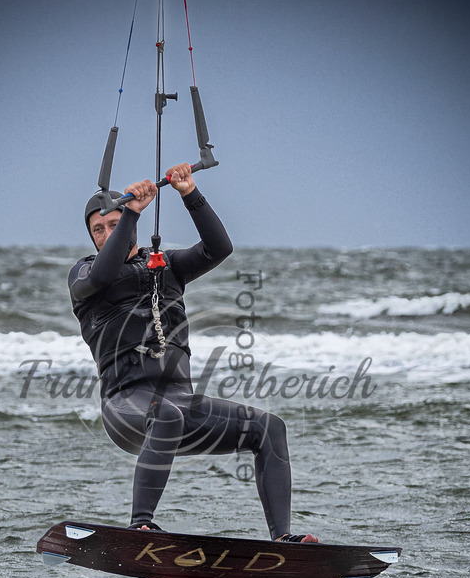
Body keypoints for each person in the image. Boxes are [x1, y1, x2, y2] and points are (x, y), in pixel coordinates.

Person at [68, 162, 317, 543]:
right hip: (125, 406)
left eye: (113, 224)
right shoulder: (84, 276)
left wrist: (189, 193)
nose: (106, 234)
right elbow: (104, 274)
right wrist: (131, 214)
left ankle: (284, 540)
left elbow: (219, 248)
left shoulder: (167, 266)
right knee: (164, 413)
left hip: (181, 403)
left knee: (269, 428)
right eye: (98, 229)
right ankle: (141, 526)